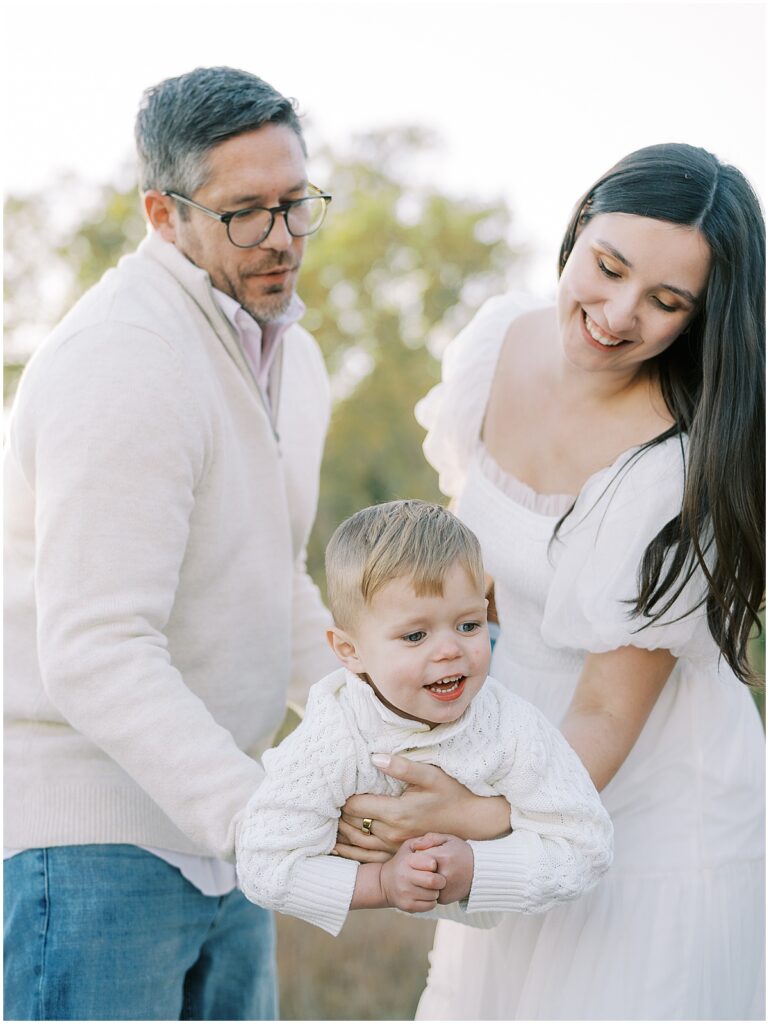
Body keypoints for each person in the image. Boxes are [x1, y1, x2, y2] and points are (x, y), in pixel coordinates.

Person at [337, 144, 766, 1020]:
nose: (615, 314)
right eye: (606, 268)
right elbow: (461, 585)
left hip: (650, 815)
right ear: (575, 231)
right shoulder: (496, 341)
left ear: (699, 319)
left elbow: (608, 714)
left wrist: (482, 813)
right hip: (509, 768)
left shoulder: (675, 468)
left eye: (665, 302)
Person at [3, 66, 340, 1021]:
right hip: (95, 848)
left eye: (295, 203)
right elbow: (96, 649)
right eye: (245, 213)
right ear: (163, 213)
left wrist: (382, 733)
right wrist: (258, 816)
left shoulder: (293, 355)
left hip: (226, 839)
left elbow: (273, 576)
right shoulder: (124, 360)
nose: (281, 239)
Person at [236, 499, 613, 937]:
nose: (450, 649)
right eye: (416, 635)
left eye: (469, 625)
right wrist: (380, 882)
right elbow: (262, 865)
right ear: (349, 651)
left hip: (519, 918)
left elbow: (587, 845)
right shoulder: (335, 736)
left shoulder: (507, 724)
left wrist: (476, 867)